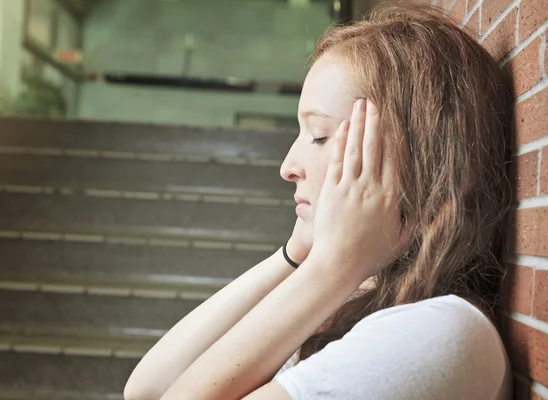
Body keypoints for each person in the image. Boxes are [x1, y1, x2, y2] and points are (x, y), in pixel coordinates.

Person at [124, 3, 514, 400]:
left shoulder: (435, 334)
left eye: (319, 135)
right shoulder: (356, 294)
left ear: (415, 156)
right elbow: (145, 389)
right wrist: (297, 254)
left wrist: (331, 268)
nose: (288, 167)